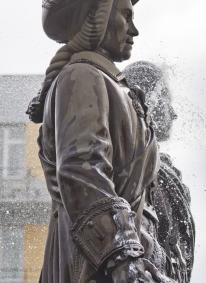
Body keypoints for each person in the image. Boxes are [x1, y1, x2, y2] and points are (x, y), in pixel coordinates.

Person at [26, 0, 174, 282]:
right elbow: (82, 173)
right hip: (102, 267)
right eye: (126, 16)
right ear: (97, 17)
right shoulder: (81, 75)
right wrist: (124, 260)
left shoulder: (109, 84)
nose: (134, 30)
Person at [123, 61, 195, 283]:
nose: (173, 113)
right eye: (166, 99)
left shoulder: (160, 170)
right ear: (147, 100)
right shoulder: (133, 166)